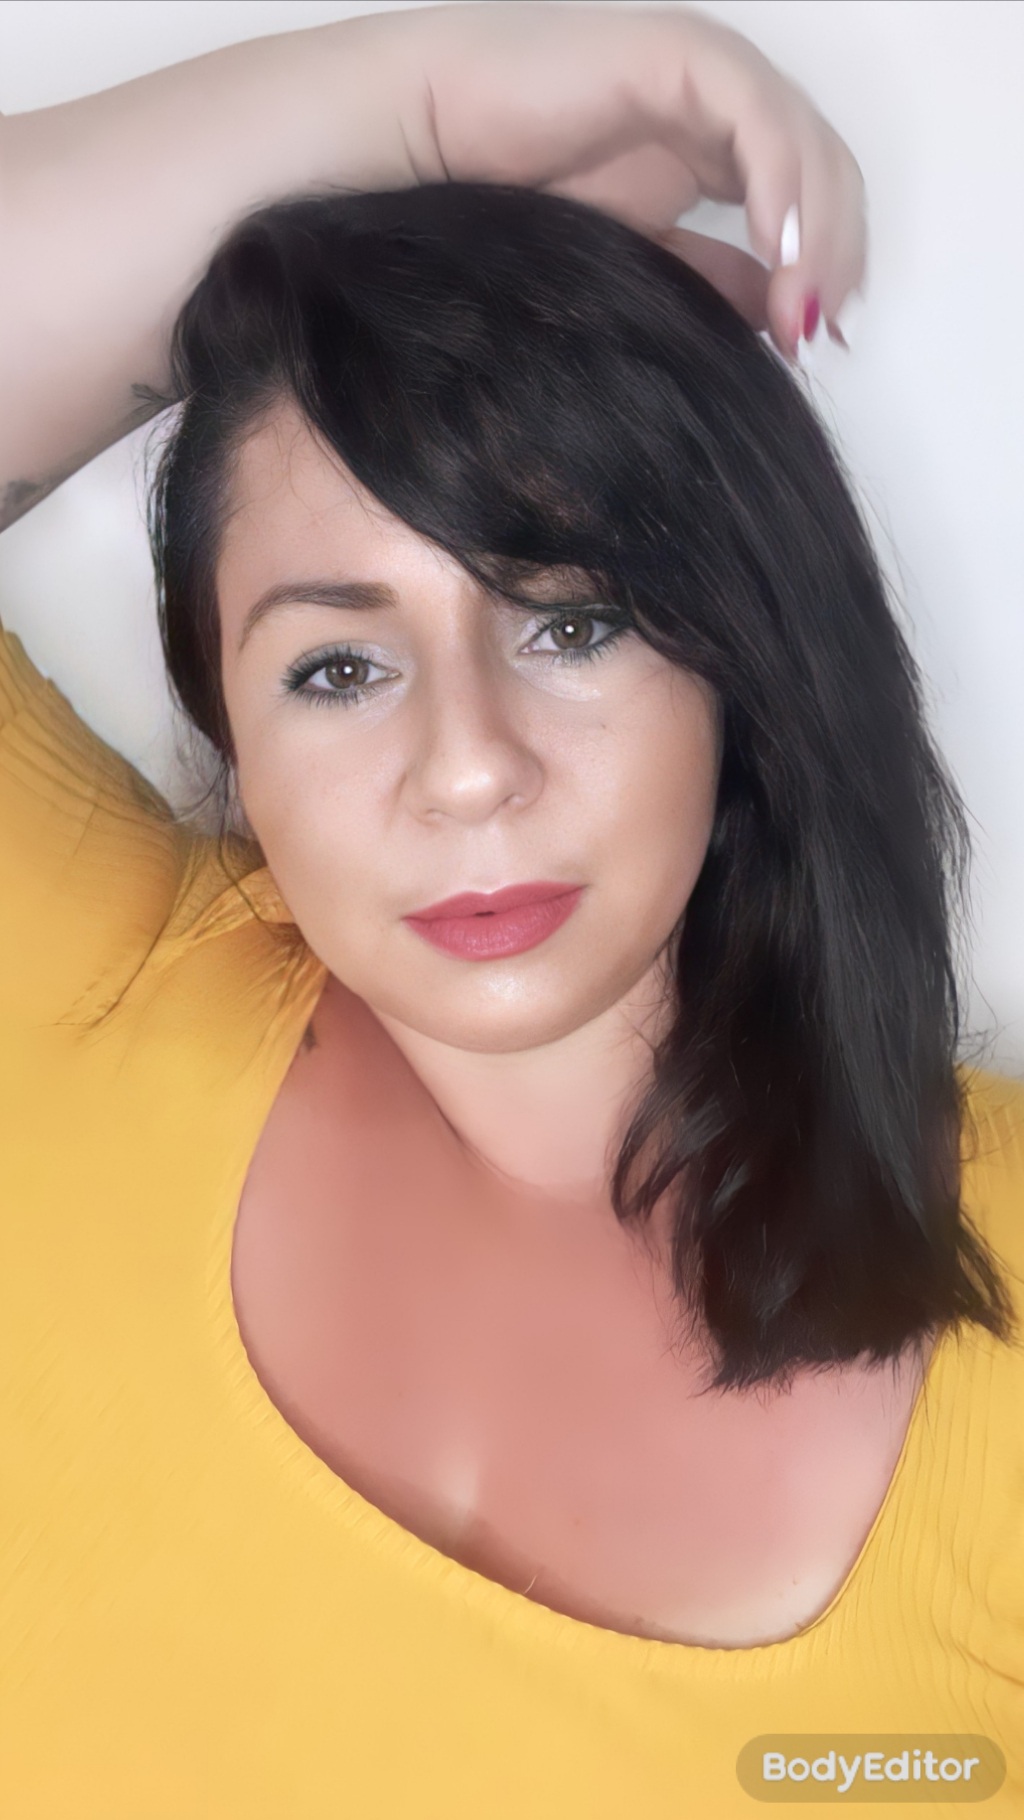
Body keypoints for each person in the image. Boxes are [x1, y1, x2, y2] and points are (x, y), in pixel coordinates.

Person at [0, 5, 1020, 1815]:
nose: (467, 770)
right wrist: (411, 105)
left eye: (570, 622)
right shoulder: (73, 985)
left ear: (743, 656)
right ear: (227, 721)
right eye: (336, 668)